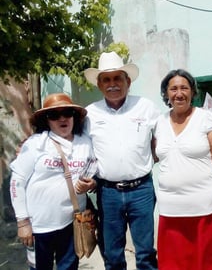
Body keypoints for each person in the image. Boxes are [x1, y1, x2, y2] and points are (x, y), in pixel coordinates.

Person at [83, 51, 159, 270]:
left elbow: (160, 139)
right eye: (106, 79)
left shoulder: (146, 107)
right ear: (99, 84)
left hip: (142, 190)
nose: (112, 84)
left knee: (145, 252)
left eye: (118, 78)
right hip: (108, 193)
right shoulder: (89, 114)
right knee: (113, 254)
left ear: (128, 81)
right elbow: (81, 150)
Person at [9, 93, 96, 270]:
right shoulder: (36, 144)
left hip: (72, 223)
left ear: (75, 117)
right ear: (46, 120)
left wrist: (91, 184)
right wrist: (23, 222)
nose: (62, 119)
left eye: (67, 113)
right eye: (54, 115)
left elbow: (93, 174)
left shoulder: (86, 144)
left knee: (69, 267)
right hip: (39, 226)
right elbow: (17, 181)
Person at [154, 69, 212, 269]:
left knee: (205, 262)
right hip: (170, 210)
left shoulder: (207, 120)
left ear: (192, 92)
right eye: (173, 88)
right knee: (173, 263)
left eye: (184, 88)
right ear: (166, 94)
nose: (179, 93)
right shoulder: (159, 123)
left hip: (204, 209)